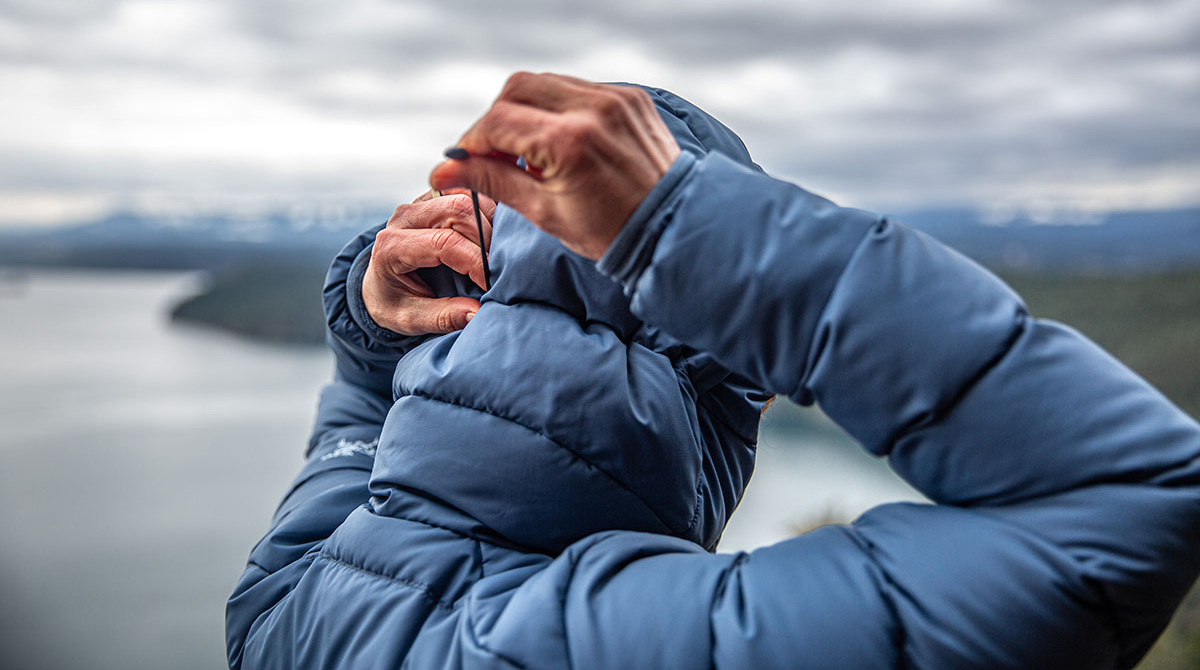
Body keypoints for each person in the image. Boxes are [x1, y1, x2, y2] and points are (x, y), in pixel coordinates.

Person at [227, 74, 1200, 669]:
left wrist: (373, 305)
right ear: (745, 379)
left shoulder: (283, 608)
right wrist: (685, 230)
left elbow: (360, 424)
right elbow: (1124, 501)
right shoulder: (650, 639)